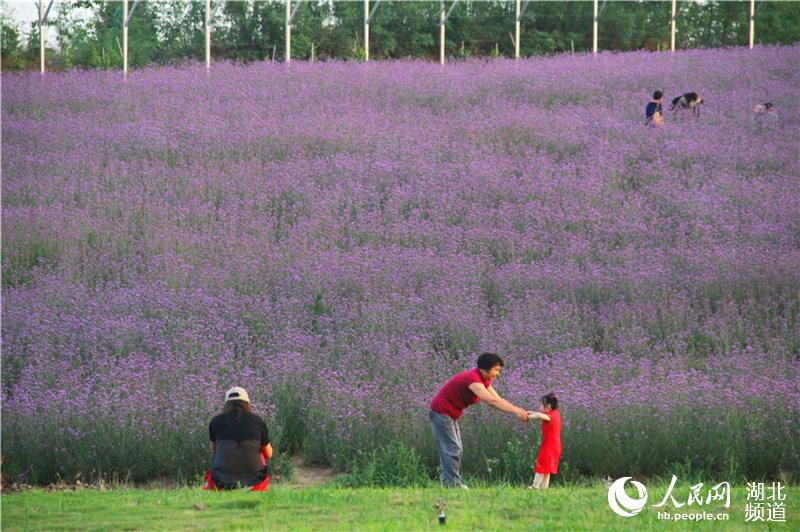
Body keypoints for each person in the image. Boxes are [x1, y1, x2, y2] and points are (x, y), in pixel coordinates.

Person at [429, 352, 531, 489]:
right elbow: (491, 401)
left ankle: (449, 483)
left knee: (453, 449)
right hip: (441, 413)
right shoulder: (473, 380)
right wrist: (516, 411)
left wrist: (519, 410)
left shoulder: (483, 380)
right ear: (484, 369)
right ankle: (453, 485)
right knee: (452, 448)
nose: (497, 373)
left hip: (449, 414)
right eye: (496, 370)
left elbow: (498, 399)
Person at [203, 387, 273, 491]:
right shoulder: (258, 421)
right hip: (255, 483)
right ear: (247, 403)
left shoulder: (215, 421)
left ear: (226, 404)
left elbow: (215, 450)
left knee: (223, 452)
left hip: (220, 483)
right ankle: (248, 487)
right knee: (259, 451)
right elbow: (269, 454)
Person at [528, 393, 561, 490]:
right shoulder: (554, 413)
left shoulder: (551, 416)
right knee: (547, 468)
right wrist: (529, 412)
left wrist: (528, 417)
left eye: (540, 405)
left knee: (541, 465)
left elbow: (540, 415)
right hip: (554, 446)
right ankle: (544, 488)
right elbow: (541, 414)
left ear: (548, 406)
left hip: (549, 446)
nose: (539, 407)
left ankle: (535, 486)